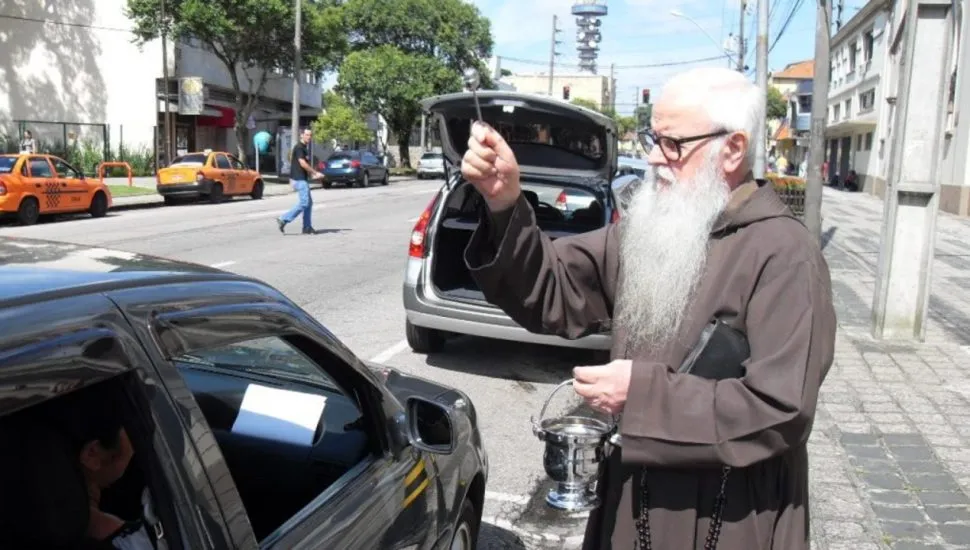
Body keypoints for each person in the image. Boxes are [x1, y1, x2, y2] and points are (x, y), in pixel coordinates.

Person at [460, 66, 836, 550]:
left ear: (734, 149)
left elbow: (781, 410)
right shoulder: (647, 231)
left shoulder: (786, 254)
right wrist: (506, 202)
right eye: (651, 139)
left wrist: (642, 395)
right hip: (632, 501)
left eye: (673, 144)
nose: (655, 158)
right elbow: (552, 289)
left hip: (729, 515)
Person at [277, 127, 321, 235]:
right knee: (304, 202)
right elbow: (302, 163)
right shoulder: (299, 147)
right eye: (307, 135)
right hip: (299, 180)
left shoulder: (304, 148)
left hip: (301, 179)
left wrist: (311, 175)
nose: (309, 137)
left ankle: (307, 227)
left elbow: (300, 166)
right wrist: (315, 172)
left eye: (310, 135)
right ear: (301, 135)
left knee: (308, 204)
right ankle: (283, 219)